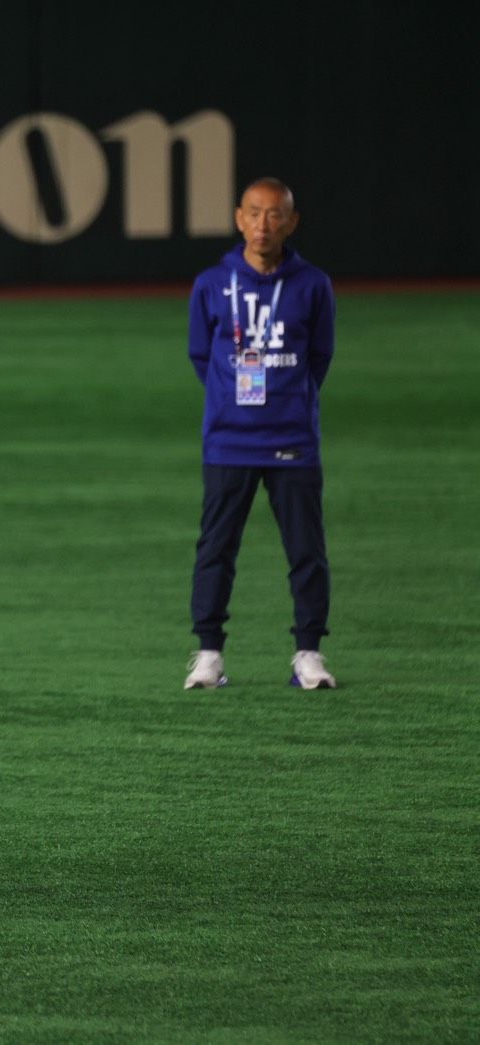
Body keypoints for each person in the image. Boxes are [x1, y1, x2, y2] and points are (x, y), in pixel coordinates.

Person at [184, 177, 338, 690]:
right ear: (238, 218)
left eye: (275, 215)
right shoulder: (211, 283)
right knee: (216, 548)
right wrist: (234, 400)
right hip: (230, 439)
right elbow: (202, 355)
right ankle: (208, 654)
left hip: (294, 440)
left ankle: (309, 653)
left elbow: (320, 358)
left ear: (291, 222)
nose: (263, 224)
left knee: (306, 551)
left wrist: (286, 397)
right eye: (253, 213)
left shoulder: (313, 284)